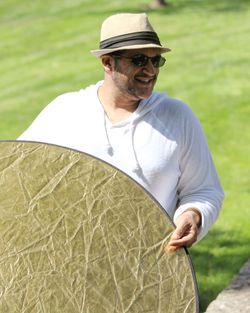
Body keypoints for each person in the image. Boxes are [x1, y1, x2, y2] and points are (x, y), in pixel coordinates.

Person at [18, 13, 224, 251]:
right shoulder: (65, 111)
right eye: (138, 60)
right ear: (107, 62)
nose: (150, 70)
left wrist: (193, 214)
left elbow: (204, 190)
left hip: (150, 273)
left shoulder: (177, 117)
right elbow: (17, 176)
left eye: (156, 61)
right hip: (70, 270)